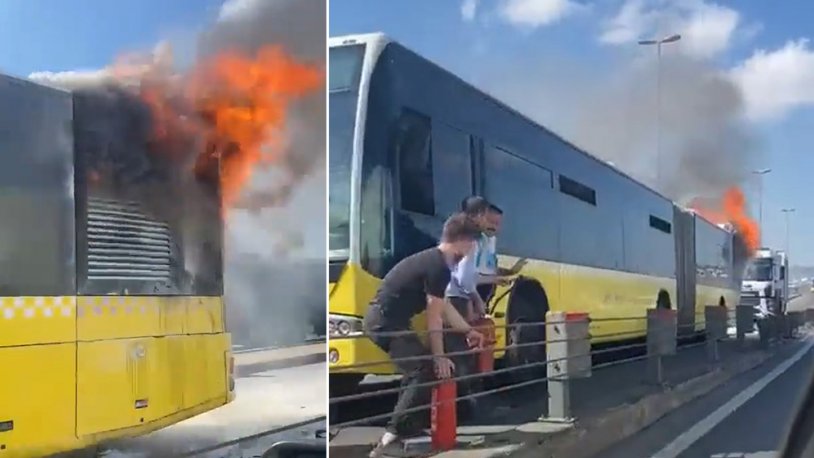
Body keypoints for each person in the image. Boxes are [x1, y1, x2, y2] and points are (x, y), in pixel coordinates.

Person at [364, 212, 486, 457]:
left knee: (418, 370)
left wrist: (468, 330)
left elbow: (445, 308)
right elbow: (434, 318)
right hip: (385, 322)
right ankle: (390, 440)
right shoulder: (439, 266)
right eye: (474, 243)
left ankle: (403, 431)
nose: (474, 249)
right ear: (464, 240)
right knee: (423, 369)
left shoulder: (436, 262)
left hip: (389, 320)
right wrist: (440, 356)